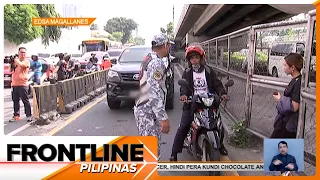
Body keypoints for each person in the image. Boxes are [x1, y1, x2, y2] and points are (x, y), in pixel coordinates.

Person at [169, 43, 230, 161]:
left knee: (218, 124)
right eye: (192, 58)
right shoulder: (187, 72)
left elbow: (217, 83)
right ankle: (174, 152)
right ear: (189, 60)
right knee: (184, 126)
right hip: (193, 103)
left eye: (196, 57)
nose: (194, 60)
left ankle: (220, 145)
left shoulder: (208, 70)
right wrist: (184, 95)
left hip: (209, 102)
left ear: (202, 58)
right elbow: (184, 87)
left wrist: (222, 93)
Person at [134, 33, 173, 159]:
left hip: (141, 107)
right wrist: (163, 117)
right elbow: (153, 91)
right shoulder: (157, 63)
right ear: (165, 45)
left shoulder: (147, 58)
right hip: (148, 111)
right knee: (151, 151)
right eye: (169, 46)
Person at [271, 53, 303, 138]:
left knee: (275, 148)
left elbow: (295, 106)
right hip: (285, 121)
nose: (283, 67)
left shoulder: (298, 82)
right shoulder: (295, 80)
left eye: (285, 65)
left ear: (292, 68)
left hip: (289, 124)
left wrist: (280, 98)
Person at [10, 47, 32, 122]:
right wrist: (12, 62)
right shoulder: (16, 62)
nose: (23, 54)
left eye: (24, 52)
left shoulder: (26, 61)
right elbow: (11, 70)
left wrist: (16, 60)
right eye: (21, 52)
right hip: (14, 84)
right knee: (15, 101)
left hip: (23, 84)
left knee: (25, 100)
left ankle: (29, 115)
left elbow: (22, 65)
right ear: (18, 53)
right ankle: (16, 115)